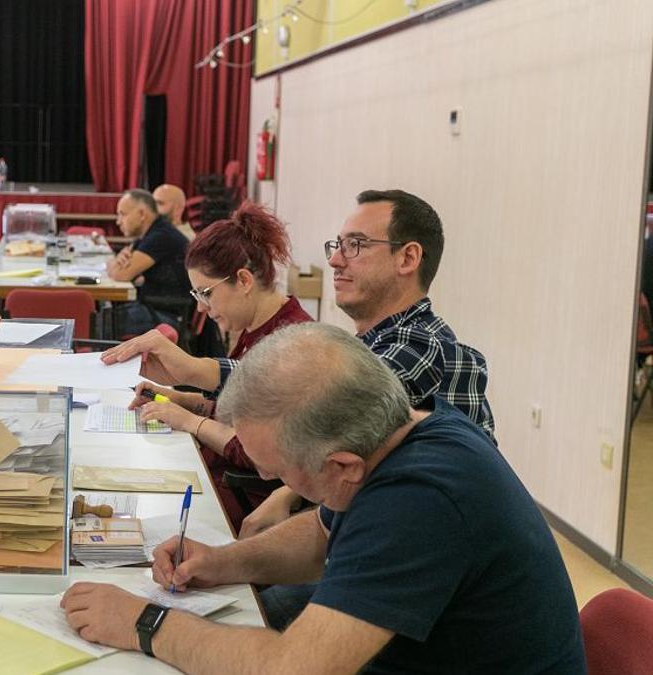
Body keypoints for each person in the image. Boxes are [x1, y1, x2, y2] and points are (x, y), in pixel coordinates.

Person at [61, 323, 586, 674]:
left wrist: (142, 623)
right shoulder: (404, 432)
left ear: (341, 465)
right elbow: (322, 533)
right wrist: (222, 563)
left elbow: (296, 668)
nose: (264, 473)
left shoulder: (421, 502)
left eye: (275, 467)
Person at [243, 189, 496, 537]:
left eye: (356, 245)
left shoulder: (420, 344)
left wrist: (286, 492)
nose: (335, 261)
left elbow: (322, 405)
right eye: (338, 245)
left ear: (407, 258)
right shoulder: (375, 342)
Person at [101, 201, 311, 529]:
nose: (201, 308)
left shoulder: (292, 342)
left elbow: (254, 451)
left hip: (238, 497)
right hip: (216, 477)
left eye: (206, 293)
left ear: (243, 281)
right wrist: (179, 399)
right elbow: (235, 410)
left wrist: (189, 421)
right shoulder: (257, 329)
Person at [107, 188, 191, 336]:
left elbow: (122, 275)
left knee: (99, 323)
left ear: (141, 214)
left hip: (167, 316)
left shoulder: (160, 236)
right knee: (102, 313)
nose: (118, 221)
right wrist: (117, 263)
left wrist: (115, 265)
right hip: (157, 307)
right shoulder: (151, 232)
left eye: (122, 214)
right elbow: (123, 268)